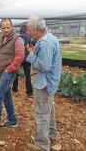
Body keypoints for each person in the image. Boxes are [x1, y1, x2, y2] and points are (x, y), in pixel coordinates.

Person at [26, 16, 62, 151]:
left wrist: (31, 55)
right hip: (50, 83)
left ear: (36, 29)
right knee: (49, 110)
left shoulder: (45, 43)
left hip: (43, 84)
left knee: (41, 113)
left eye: (29, 30)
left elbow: (45, 66)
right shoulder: (51, 38)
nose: (28, 32)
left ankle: (42, 144)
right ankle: (53, 136)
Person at [0, 18, 25, 131]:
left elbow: (20, 57)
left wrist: (9, 69)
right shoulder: (2, 38)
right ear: (1, 28)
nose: (5, 29)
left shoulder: (17, 39)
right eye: (3, 27)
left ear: (12, 26)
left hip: (8, 72)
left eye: (8, 27)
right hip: (1, 71)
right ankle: (12, 120)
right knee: (6, 96)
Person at [12, 23, 33, 97]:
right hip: (27, 58)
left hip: (19, 57)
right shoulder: (29, 37)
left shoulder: (18, 36)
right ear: (26, 30)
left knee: (15, 73)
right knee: (28, 75)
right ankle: (29, 92)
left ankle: (15, 89)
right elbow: (30, 46)